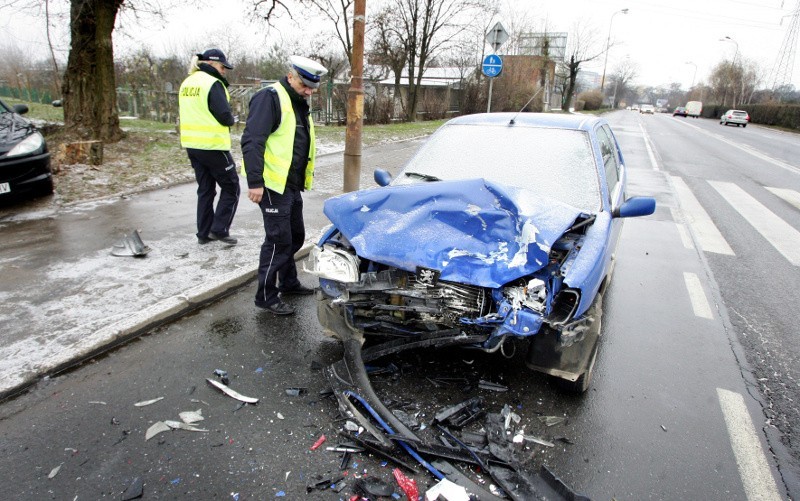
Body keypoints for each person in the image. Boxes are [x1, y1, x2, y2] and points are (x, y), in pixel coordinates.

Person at [241, 55, 328, 315]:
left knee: (295, 236)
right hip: (270, 185)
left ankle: (288, 282)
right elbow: (252, 141)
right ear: (291, 77)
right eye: (305, 85)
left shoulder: (297, 102)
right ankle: (265, 296)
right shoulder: (270, 98)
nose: (310, 91)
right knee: (278, 241)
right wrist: (255, 182)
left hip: (290, 184)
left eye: (313, 87)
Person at [178, 48, 240, 246]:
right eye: (223, 67)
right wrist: (232, 119)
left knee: (205, 189)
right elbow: (224, 115)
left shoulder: (188, 82)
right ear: (212, 64)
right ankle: (219, 229)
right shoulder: (212, 83)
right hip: (212, 145)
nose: (224, 71)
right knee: (232, 187)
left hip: (191, 144)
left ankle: (203, 233)